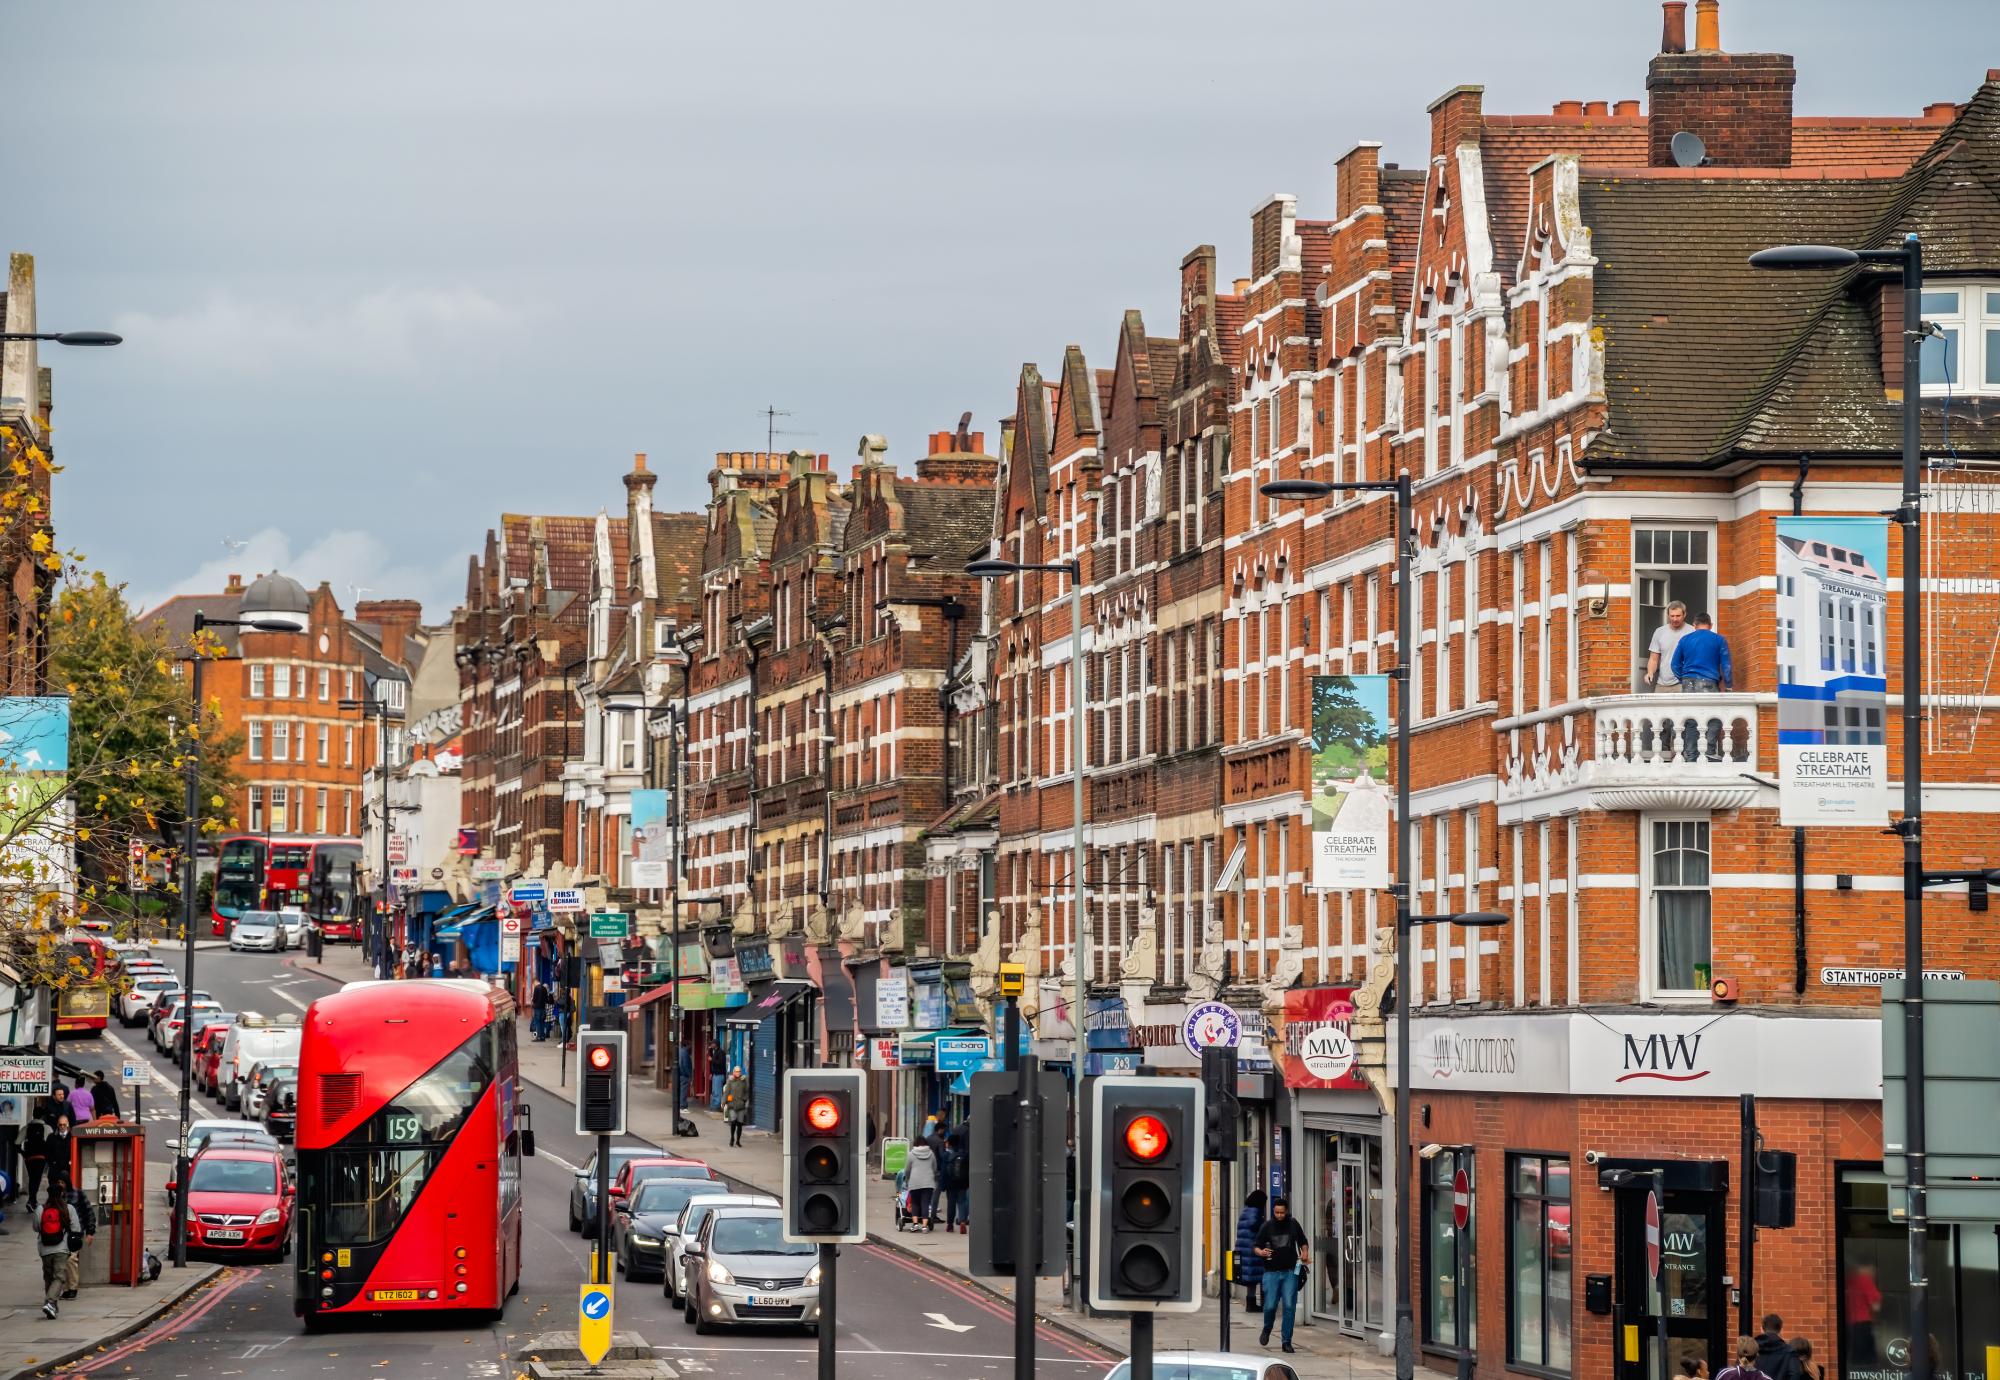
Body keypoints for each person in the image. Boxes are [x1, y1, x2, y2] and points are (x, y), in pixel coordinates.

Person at [1252, 1194, 1310, 1354]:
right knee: (1270, 1306)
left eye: (1281, 1213)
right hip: (1271, 1273)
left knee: (1290, 1306)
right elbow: (1255, 1246)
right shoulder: (1267, 1226)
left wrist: (1305, 1253)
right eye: (1276, 1212)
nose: (1279, 1216)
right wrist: (1261, 1252)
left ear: (1286, 1211)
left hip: (1290, 1271)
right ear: (1273, 1211)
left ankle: (1286, 1341)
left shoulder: (1292, 1224)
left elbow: (1303, 1241)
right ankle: (1267, 1327)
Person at [37, 1181, 80, 1319]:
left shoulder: (41, 1209)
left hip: (44, 1249)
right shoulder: (68, 1209)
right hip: (61, 1249)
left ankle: (52, 1308)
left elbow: (35, 1227)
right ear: (62, 1194)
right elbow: (76, 1229)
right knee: (59, 1277)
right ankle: (49, 1302)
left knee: (49, 1278)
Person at [55, 1172, 95, 1299]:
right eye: (58, 1182)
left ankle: (72, 1288)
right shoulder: (55, 1196)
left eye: (62, 1182)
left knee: (71, 1259)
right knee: (62, 1261)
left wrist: (90, 1232)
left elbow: (88, 1212)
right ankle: (66, 1288)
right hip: (59, 1233)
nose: (60, 1185)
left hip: (74, 1232)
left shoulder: (78, 1194)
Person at [1671, 612, 1733, 692]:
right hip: (1709, 682)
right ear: (1711, 625)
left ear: (1694, 625)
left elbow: (1674, 665)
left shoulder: (1684, 639)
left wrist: (1683, 678)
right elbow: (1726, 666)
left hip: (1688, 683)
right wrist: (1728, 685)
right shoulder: (1719, 639)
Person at [1235, 1188, 1268, 1313]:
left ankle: (1251, 1303)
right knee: (1261, 1276)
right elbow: (1255, 1225)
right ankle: (1259, 1303)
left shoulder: (1245, 1211)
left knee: (1251, 1279)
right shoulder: (1256, 1212)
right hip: (1252, 1250)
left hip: (1244, 1248)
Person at [1646, 601, 1691, 690]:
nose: (1675, 619)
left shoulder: (1692, 632)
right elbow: (1653, 659)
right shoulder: (1659, 632)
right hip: (1662, 683)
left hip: (1683, 682)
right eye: (1672, 616)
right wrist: (1650, 672)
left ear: (1684, 614)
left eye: (1678, 616)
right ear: (1668, 615)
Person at [1845, 1263, 1883, 1366]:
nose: (1874, 1273)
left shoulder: (1850, 1279)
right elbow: (1876, 1307)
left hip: (1850, 1322)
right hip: (1863, 1322)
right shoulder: (1865, 1280)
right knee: (1868, 1358)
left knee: (1855, 1356)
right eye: (1873, 1270)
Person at [904, 1133, 939, 1232]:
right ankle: (924, 1226)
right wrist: (934, 1177)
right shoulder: (931, 1153)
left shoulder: (911, 1154)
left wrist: (907, 1180)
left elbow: (907, 1170)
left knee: (915, 1203)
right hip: (928, 1182)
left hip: (914, 1182)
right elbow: (935, 1168)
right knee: (925, 1203)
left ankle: (915, 1224)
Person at [1754, 1314, 1805, 1380]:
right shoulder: (1789, 1352)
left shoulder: (1750, 1350)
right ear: (1781, 1330)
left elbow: (1739, 1372)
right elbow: (1795, 1374)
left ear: (1762, 1329)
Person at [942, 1126, 970, 1233]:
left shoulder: (946, 1156)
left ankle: (950, 1224)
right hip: (962, 1183)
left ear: (949, 1143)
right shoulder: (964, 1155)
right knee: (962, 1202)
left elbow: (944, 1172)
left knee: (951, 1203)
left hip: (950, 1183)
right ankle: (962, 1222)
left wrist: (943, 1185)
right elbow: (967, 1170)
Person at [723, 1067, 750, 1147]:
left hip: (741, 1105)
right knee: (733, 1122)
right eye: (736, 1071)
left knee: (740, 1124)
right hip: (732, 1105)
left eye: (739, 1071)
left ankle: (738, 1140)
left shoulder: (744, 1080)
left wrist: (744, 1100)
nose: (738, 1073)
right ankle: (732, 1138)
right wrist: (723, 1102)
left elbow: (747, 1091)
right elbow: (726, 1092)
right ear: (733, 1072)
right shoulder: (730, 1080)